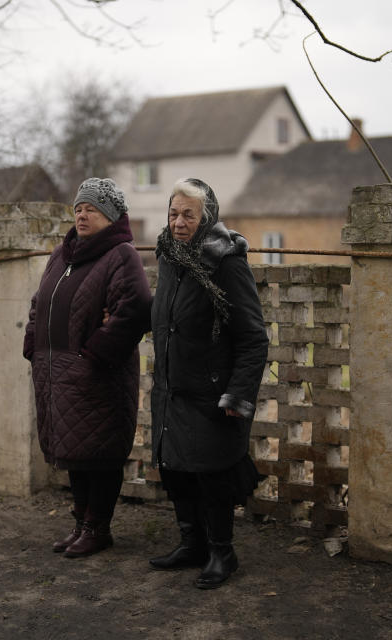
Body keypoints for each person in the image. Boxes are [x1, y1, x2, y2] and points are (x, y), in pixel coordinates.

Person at [148, 178, 268, 589]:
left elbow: (253, 335)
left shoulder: (226, 260)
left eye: (188, 215)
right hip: (171, 386)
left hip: (209, 389)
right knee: (176, 470)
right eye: (173, 213)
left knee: (212, 474)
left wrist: (238, 392)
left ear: (207, 218)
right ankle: (192, 544)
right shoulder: (168, 255)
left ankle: (222, 551)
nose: (178, 222)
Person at [23, 177, 152, 558]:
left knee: (101, 452)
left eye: (91, 208)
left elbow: (135, 309)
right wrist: (33, 342)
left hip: (98, 374)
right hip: (57, 374)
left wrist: (94, 354)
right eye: (78, 208)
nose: (82, 214)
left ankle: (98, 527)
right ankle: (80, 524)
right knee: (74, 450)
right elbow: (38, 303)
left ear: (110, 215)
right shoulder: (61, 255)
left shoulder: (120, 255)